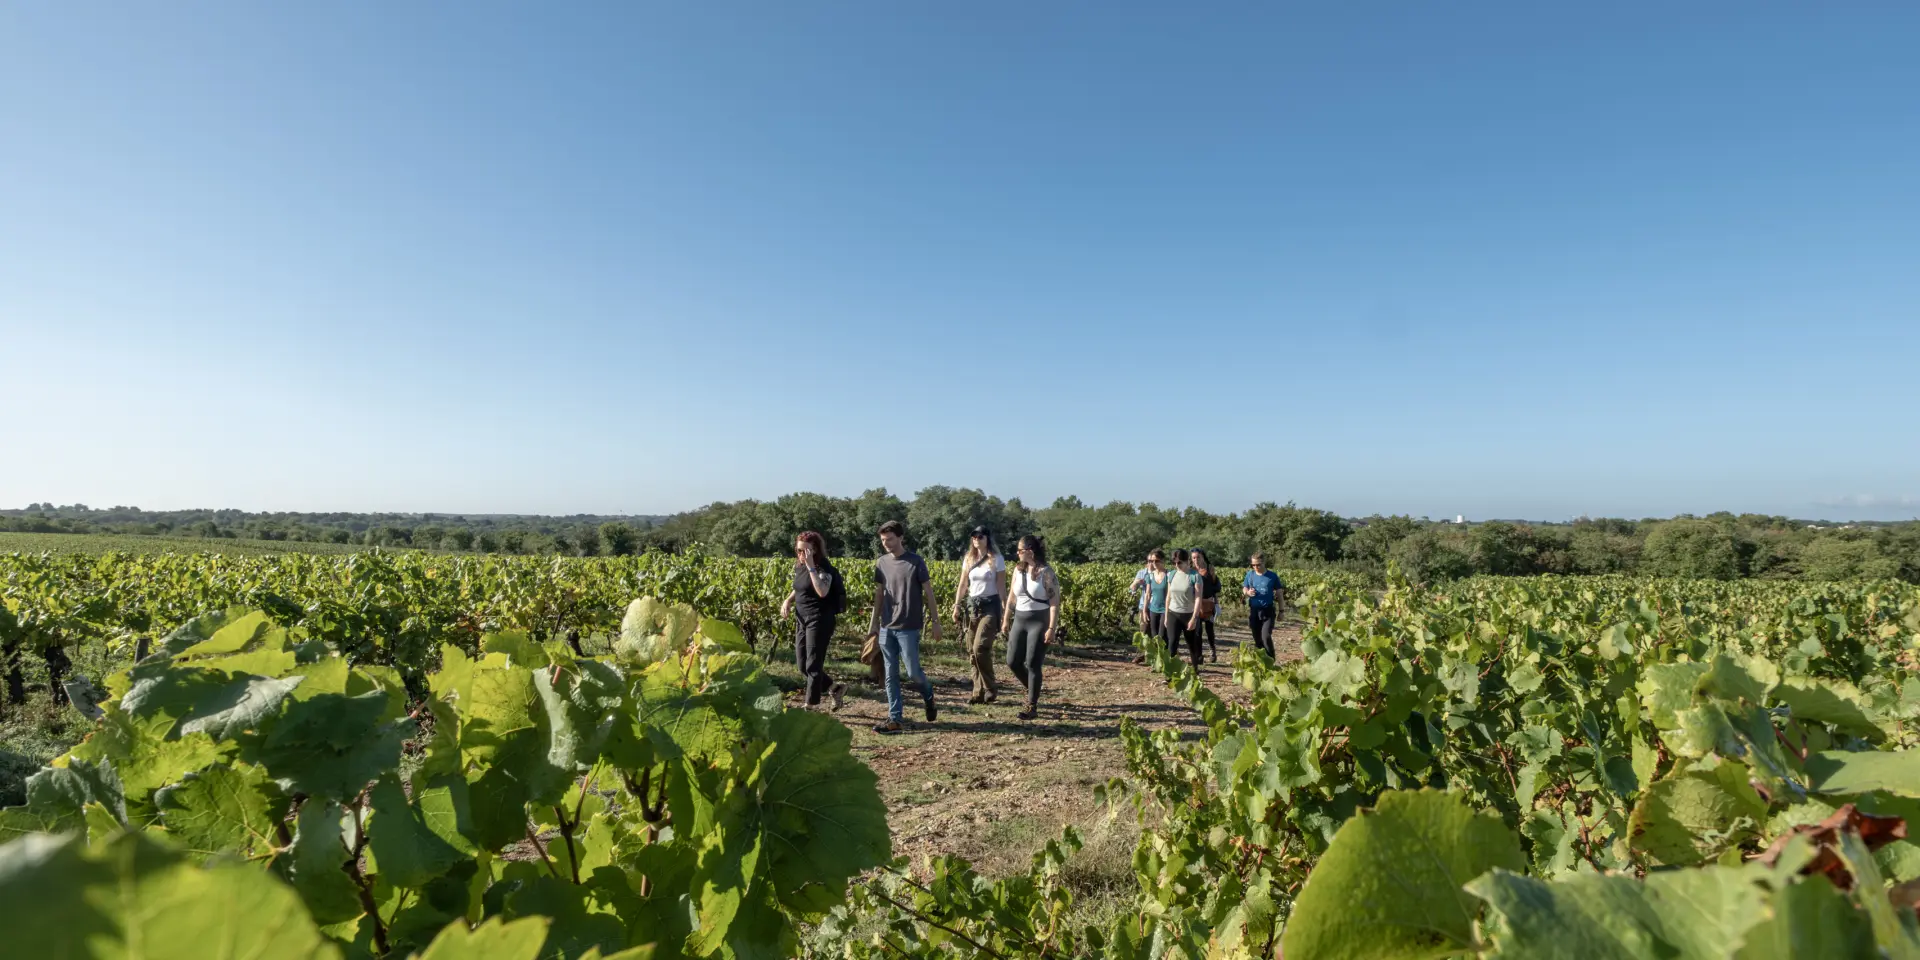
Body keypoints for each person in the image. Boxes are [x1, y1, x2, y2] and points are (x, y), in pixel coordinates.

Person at [866, 520, 942, 734]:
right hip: (887, 626)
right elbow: (879, 594)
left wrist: (936, 623)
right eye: (882, 540)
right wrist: (874, 624)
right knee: (890, 674)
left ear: (900, 538)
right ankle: (895, 718)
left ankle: (928, 694)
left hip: (909, 626)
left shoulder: (916, 562)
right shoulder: (881, 563)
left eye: (890, 539)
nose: (886, 543)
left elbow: (929, 593)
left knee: (913, 672)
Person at [778, 531, 846, 710]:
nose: (801, 555)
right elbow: (800, 587)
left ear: (815, 549)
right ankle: (835, 687)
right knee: (802, 665)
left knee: (813, 665)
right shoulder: (799, 566)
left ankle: (809, 706)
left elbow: (822, 591)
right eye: (798, 550)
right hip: (802, 618)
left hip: (819, 619)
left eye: (805, 551)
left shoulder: (823, 568)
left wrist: (811, 567)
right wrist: (788, 600)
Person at [1002, 535, 1059, 720]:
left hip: (1039, 620)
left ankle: (1032, 705)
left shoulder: (1046, 573)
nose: (1017, 553)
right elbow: (1012, 596)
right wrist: (1005, 619)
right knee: (1012, 661)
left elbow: (1054, 603)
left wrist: (1051, 628)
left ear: (1030, 551)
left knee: (1033, 662)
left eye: (1020, 550)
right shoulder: (1018, 570)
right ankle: (1032, 688)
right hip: (1020, 619)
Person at [951, 525, 1007, 704]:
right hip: (972, 607)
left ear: (988, 538)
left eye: (980, 536)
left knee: (980, 648)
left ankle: (990, 687)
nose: (976, 539)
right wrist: (957, 606)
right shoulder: (968, 559)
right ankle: (978, 693)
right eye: (974, 537)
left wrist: (1006, 610)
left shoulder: (997, 559)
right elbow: (963, 584)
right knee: (971, 652)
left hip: (990, 606)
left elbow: (1001, 586)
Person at [1163, 548, 1204, 669]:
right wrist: (1166, 616)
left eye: (1179, 562)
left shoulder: (1195, 577)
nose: (1177, 565)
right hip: (1173, 613)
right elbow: (1168, 597)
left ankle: (1195, 669)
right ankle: (1170, 672)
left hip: (1188, 614)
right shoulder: (1171, 575)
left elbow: (1198, 599)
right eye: (1174, 563)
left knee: (1191, 644)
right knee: (1172, 643)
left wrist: (1194, 618)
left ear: (1187, 561)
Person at [1242, 552, 1286, 659]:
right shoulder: (1250, 575)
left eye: (1258, 565)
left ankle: (1271, 660)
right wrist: (1247, 593)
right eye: (1253, 565)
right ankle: (1260, 661)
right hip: (1254, 611)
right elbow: (1244, 588)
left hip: (1268, 611)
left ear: (1264, 563)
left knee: (1265, 637)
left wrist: (1281, 611)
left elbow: (1279, 594)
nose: (1256, 567)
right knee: (1257, 639)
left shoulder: (1272, 576)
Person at [1191, 548, 1222, 663]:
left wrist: (1216, 604)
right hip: (1196, 605)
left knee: (1209, 630)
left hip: (1209, 604)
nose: (1196, 560)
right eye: (1193, 557)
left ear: (1202, 557)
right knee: (1197, 631)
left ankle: (1212, 650)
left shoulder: (1209, 570)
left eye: (1198, 557)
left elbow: (1215, 588)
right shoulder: (1191, 571)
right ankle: (1199, 656)